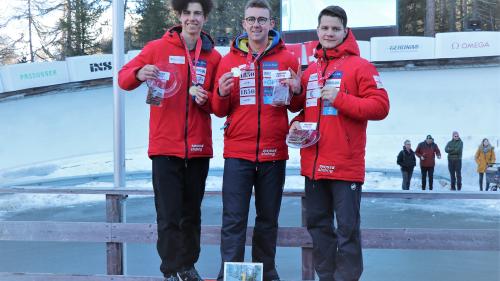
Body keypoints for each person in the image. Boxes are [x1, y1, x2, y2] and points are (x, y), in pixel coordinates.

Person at [118, 1, 221, 280]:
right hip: (165, 147)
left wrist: (207, 98)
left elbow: (220, 104)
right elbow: (123, 79)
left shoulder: (212, 57)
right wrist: (139, 73)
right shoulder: (156, 48)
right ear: (179, 16)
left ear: (205, 18)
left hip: (198, 148)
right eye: (187, 13)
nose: (192, 18)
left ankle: (188, 265)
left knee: (192, 214)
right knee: (168, 214)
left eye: (197, 13)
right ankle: (171, 269)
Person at [289, 6, 390, 280]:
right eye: (325, 28)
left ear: (345, 31)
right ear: (317, 31)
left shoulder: (361, 67)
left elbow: (381, 106)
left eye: (335, 29)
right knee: (319, 228)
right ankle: (325, 277)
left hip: (345, 166)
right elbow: (308, 111)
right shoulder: (311, 71)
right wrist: (295, 122)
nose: (330, 33)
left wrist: (340, 98)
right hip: (314, 165)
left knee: (346, 231)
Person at [211, 1, 303, 280]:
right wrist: (222, 92)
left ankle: (265, 271)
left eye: (262, 19)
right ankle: (230, 272)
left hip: (273, 153)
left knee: (267, 219)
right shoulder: (228, 61)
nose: (256, 25)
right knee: (234, 219)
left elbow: (294, 105)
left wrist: (297, 90)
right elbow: (218, 109)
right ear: (243, 25)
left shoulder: (287, 59)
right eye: (251, 19)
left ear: (271, 24)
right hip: (238, 153)